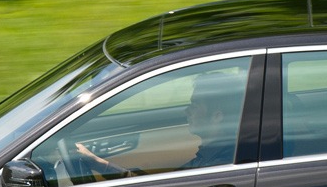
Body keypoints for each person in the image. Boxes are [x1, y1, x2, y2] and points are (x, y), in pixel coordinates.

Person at [69, 68, 241, 180]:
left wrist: (100, 164)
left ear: (217, 116)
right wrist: (99, 163)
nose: (186, 111)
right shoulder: (208, 157)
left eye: (194, 106)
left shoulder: (216, 167)